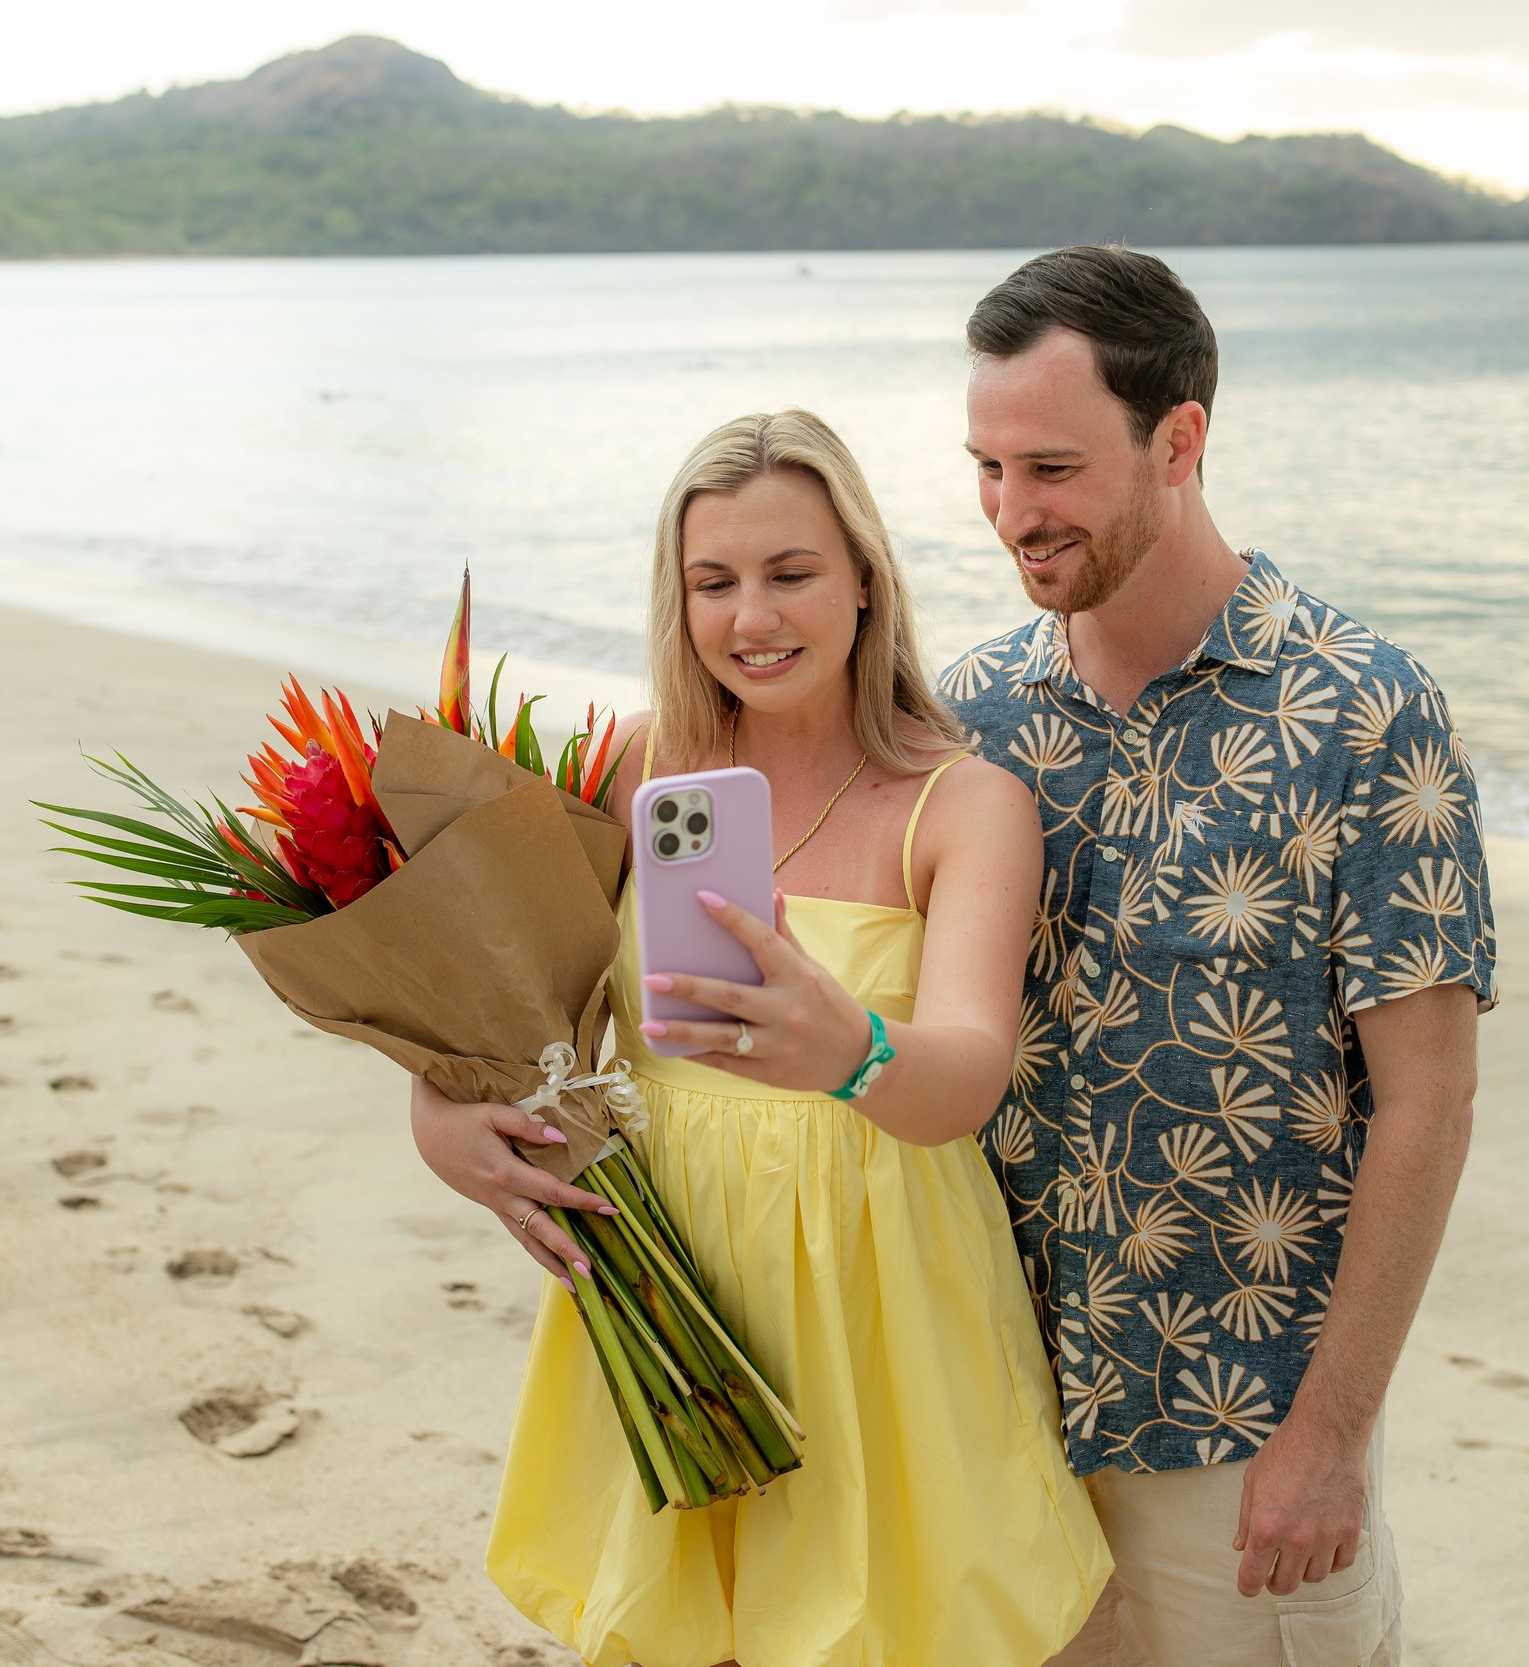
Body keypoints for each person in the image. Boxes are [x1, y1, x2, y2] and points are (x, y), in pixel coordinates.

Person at [408, 410, 1112, 1667]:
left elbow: (966, 1072)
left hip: (879, 1278)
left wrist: (852, 1050)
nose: (753, 617)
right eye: (713, 582)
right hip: (669, 1255)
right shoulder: (631, 768)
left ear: (862, 579)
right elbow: (508, 1013)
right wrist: (442, 1117)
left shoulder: (964, 804)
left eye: (789, 573)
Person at [939, 245, 1498, 1667]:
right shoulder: (972, 712)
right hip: (1000, 1407)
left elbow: (1427, 1103)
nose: (1014, 513)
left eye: (1052, 468)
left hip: (1245, 1434)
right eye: (989, 467)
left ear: (1178, 438)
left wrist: (1332, 1432)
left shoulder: (1365, 712)